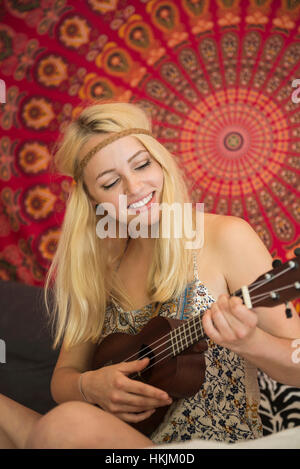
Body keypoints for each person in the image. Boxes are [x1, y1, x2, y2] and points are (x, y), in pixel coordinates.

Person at [1, 101, 300, 449]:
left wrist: (252, 343)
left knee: (66, 425)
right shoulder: (103, 268)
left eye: (142, 165)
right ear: (94, 202)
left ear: (160, 162)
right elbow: (63, 379)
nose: (135, 187)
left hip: (200, 449)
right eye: (111, 182)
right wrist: (89, 386)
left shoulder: (227, 236)